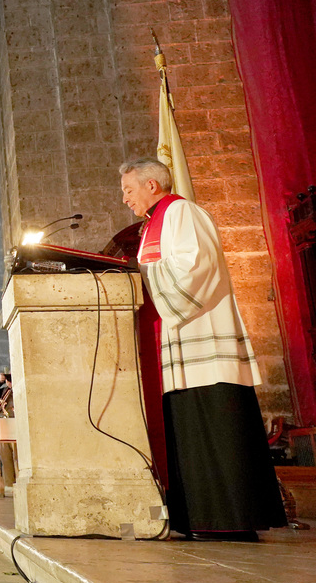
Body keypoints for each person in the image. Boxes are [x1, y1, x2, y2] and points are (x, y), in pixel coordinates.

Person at [119, 157, 287, 539]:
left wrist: (138, 270)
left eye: (129, 190)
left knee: (217, 428)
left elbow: (195, 267)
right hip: (179, 344)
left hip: (203, 338)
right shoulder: (156, 223)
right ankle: (202, 518)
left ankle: (232, 520)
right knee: (191, 430)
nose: (126, 199)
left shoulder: (182, 213)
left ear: (151, 185)